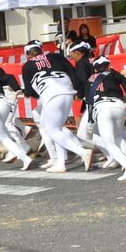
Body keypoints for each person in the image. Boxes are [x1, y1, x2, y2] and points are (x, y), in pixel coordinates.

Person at [21, 41, 92, 173]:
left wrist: (25, 92)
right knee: (58, 129)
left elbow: (30, 92)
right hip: (68, 93)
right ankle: (60, 163)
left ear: (29, 54)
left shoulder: (28, 66)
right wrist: (77, 90)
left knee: (52, 131)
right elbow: (72, 73)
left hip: (52, 96)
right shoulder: (56, 56)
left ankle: (82, 152)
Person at [83, 56, 126, 182]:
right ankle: (125, 164)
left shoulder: (90, 80)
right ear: (108, 65)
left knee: (108, 141)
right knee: (118, 136)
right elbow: (125, 82)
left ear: (95, 69)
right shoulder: (113, 73)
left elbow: (89, 101)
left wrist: (89, 128)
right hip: (118, 105)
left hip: (102, 108)